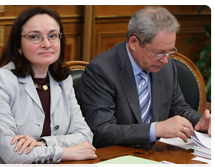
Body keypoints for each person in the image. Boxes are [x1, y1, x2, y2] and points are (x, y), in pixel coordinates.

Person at [77, 6, 213, 150]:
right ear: (134, 43)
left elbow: (179, 109)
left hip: (158, 155)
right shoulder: (101, 70)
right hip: (117, 157)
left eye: (169, 52)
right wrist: (155, 130)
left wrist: (202, 122)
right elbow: (100, 131)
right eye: (159, 52)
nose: (165, 60)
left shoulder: (166, 67)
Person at [0, 6, 97, 167]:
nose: (46, 44)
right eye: (35, 37)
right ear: (18, 45)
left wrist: (42, 144)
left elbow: (85, 137)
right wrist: (66, 152)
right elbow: (12, 154)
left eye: (53, 36)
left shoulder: (63, 80)